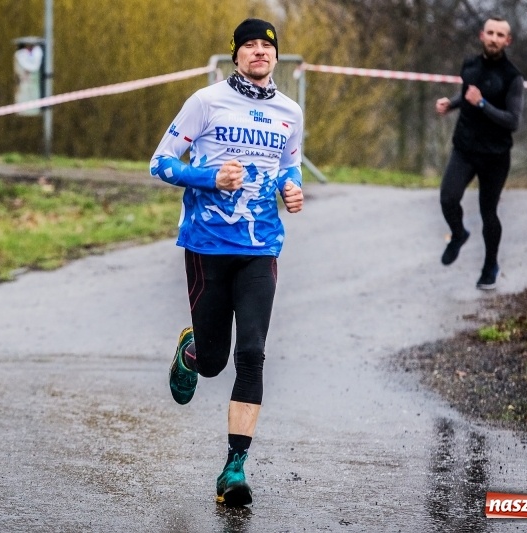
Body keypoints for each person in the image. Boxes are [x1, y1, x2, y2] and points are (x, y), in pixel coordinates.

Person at [149, 18, 304, 506]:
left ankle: (234, 468)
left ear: (276, 57)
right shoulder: (206, 102)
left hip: (261, 248)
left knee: (252, 354)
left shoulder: (289, 111)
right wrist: (209, 178)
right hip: (207, 245)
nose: (259, 53)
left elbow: (288, 163)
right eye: (250, 46)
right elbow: (160, 163)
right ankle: (192, 350)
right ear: (235, 55)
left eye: (267, 46)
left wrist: (291, 187)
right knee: (215, 363)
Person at [435, 17, 524, 290]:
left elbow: (513, 121)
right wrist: (451, 104)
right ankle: (459, 233)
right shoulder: (470, 65)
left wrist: (482, 103)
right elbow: (468, 94)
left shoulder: (513, 77)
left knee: (489, 214)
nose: (494, 38)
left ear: (507, 41)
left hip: (495, 156)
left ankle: (490, 267)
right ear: (481, 35)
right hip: (465, 148)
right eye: (490, 33)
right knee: (448, 198)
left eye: (500, 35)